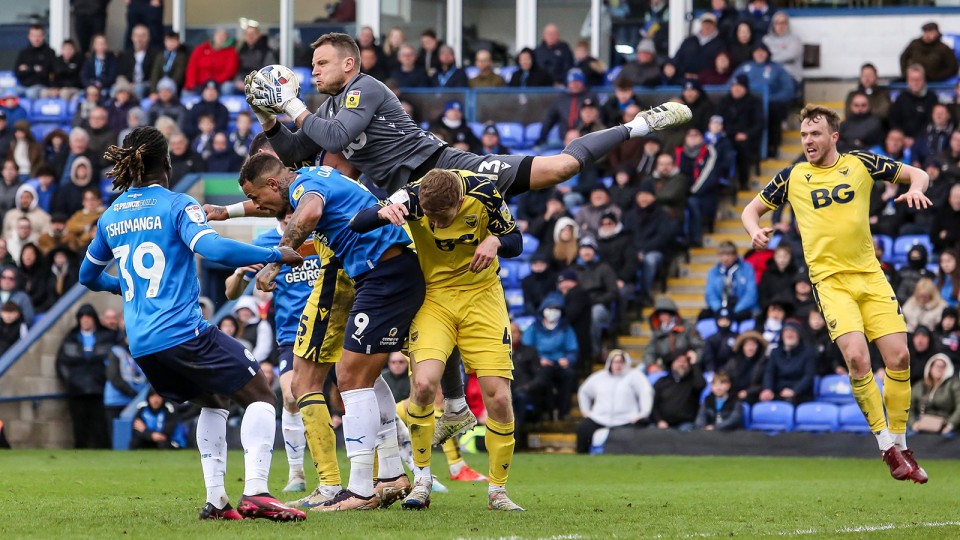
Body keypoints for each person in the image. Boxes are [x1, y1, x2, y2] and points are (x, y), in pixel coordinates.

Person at [78, 126, 306, 521]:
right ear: (166, 162)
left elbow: (88, 276)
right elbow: (211, 248)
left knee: (213, 401)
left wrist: (126, 288)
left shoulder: (111, 216)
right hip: (183, 332)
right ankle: (257, 492)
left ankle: (216, 502)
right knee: (261, 393)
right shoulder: (177, 204)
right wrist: (275, 253)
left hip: (143, 345)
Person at [246, 31, 690, 213]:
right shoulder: (327, 109)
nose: (314, 71)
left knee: (561, 167)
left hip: (445, 168)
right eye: (312, 65)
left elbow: (337, 136)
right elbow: (295, 152)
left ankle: (637, 125)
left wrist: (291, 104)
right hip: (407, 195)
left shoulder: (365, 87)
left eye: (322, 63)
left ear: (349, 63)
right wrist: (268, 118)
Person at [741, 104, 932, 482]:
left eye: (815, 133)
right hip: (830, 283)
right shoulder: (793, 176)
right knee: (858, 360)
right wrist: (754, 231)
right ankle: (886, 447)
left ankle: (902, 444)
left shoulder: (860, 163)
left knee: (900, 357)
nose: (807, 140)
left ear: (834, 136)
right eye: (803, 134)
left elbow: (919, 173)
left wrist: (915, 189)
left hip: (871, 277)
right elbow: (751, 210)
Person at [236, 153, 424, 512]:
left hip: (384, 276)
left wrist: (276, 261)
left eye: (257, 198)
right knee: (360, 377)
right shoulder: (315, 175)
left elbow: (309, 213)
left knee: (350, 379)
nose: (258, 206)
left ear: (273, 183)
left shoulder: (304, 188)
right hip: (382, 274)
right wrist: (226, 212)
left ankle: (360, 491)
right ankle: (390, 475)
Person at [351, 167, 525, 511]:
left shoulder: (484, 193)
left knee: (499, 396)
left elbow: (515, 241)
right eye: (429, 217)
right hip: (435, 299)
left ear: (459, 202)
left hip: (482, 297)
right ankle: (422, 479)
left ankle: (498, 491)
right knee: (424, 384)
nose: (436, 224)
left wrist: (496, 241)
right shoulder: (412, 196)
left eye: (442, 217)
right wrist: (383, 212)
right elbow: (358, 223)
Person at [225, 214, 321, 494]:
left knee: (361, 389)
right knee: (290, 397)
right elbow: (231, 293)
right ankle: (296, 473)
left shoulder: (321, 234)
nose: (293, 212)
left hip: (332, 325)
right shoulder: (265, 242)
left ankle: (410, 467)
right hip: (293, 332)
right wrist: (240, 273)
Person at [55, 303, 115, 448]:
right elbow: (61, 363)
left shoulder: (106, 337)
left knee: (100, 426)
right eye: (82, 317)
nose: (85, 320)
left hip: (99, 389)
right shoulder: (71, 338)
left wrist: (104, 378)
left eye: (88, 317)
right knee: (79, 426)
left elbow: (113, 361)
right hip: (76, 391)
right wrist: (70, 380)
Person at [576, 350, 653, 453]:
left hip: (626, 419)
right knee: (583, 428)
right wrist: (586, 412)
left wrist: (643, 414)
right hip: (600, 418)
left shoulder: (635, 376)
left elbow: (646, 392)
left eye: (621, 362)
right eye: (615, 362)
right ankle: (582, 456)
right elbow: (584, 392)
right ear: (610, 363)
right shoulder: (599, 377)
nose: (618, 365)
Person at [521, 293, 579, 422]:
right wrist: (538, 360)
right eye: (550, 308)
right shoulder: (534, 328)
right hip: (540, 364)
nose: (553, 312)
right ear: (543, 310)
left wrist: (568, 359)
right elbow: (526, 349)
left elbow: (572, 349)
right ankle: (546, 412)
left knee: (569, 375)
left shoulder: (566, 329)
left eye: (557, 309)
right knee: (542, 378)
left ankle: (564, 412)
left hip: (559, 364)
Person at [759, 318, 816, 405]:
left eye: (792, 331)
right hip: (779, 391)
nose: (789, 334)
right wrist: (768, 389)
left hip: (800, 394)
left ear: (799, 334)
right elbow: (769, 372)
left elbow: (808, 376)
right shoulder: (775, 352)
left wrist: (794, 391)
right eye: (786, 331)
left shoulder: (808, 352)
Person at [704, 241, 758, 323]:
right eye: (722, 255)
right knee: (703, 315)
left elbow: (751, 294)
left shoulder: (747, 268)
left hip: (741, 308)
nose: (725, 258)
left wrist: (735, 310)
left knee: (743, 316)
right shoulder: (713, 272)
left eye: (728, 255)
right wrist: (720, 310)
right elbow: (710, 295)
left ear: (735, 255)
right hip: (721, 308)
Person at [652, 349, 706, 430]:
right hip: (663, 424)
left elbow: (700, 385)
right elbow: (654, 405)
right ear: (671, 364)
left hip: (686, 425)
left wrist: (694, 364)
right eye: (678, 361)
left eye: (685, 362)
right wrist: (659, 421)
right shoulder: (662, 382)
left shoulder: (692, 381)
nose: (682, 364)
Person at [909, 353, 960, 435]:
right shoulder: (920, 385)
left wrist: (950, 424)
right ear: (930, 367)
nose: (939, 369)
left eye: (942, 366)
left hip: (945, 427)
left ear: (948, 368)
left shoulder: (954, 384)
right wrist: (913, 423)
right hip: (921, 425)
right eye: (936, 366)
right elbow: (909, 406)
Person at [183, 29, 239, 94]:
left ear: (227, 38)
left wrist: (214, 82)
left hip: (220, 83)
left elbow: (230, 71)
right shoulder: (201, 48)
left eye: (223, 36)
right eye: (218, 35)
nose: (221, 38)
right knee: (187, 92)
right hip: (200, 83)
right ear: (214, 36)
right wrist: (192, 82)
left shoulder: (231, 52)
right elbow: (192, 67)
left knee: (228, 87)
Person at [13, 25, 57, 99]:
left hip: (41, 86)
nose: (36, 39)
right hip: (23, 86)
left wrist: (27, 69)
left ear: (43, 36)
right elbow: (17, 72)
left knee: (31, 93)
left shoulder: (49, 52)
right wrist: (34, 69)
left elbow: (45, 73)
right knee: (8, 92)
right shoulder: (23, 53)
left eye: (39, 36)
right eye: (33, 36)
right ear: (29, 37)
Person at [118, 25, 158, 99]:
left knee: (138, 89)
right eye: (136, 36)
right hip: (129, 83)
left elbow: (154, 75)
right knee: (115, 90)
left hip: (146, 83)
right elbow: (122, 73)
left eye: (143, 36)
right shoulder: (126, 54)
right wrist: (128, 83)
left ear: (148, 38)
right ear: (132, 37)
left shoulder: (155, 55)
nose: (139, 39)